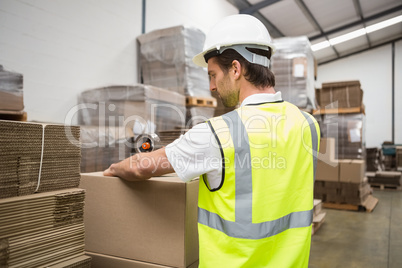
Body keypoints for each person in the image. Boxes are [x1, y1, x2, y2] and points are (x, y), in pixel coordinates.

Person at [104, 14, 320, 268]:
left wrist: (112, 169)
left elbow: (142, 166)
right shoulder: (307, 124)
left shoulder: (219, 133)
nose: (212, 87)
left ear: (236, 69)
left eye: (213, 75)